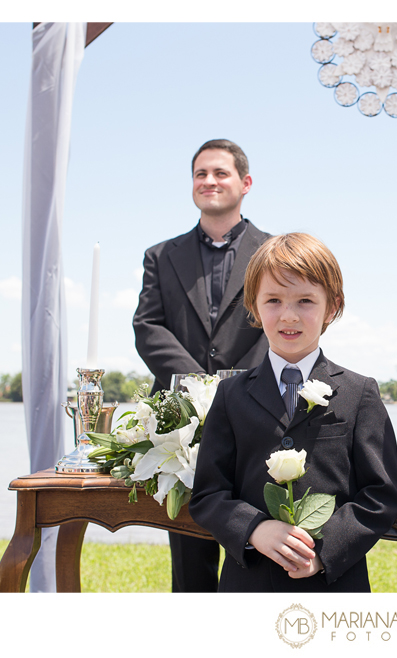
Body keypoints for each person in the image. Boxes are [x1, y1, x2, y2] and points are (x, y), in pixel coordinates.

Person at [189, 233, 397, 592]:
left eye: (305, 300)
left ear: (332, 307)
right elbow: (209, 494)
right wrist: (255, 528)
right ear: (254, 307)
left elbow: (381, 494)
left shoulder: (359, 393)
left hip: (334, 586)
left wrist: (323, 551)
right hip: (250, 582)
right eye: (273, 300)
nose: (288, 315)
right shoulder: (230, 395)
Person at [133, 139, 272, 592]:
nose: (208, 181)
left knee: (252, 539)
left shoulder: (275, 252)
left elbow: (282, 327)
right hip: (179, 421)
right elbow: (148, 326)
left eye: (220, 173)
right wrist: (196, 384)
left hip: (256, 411)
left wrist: (237, 386)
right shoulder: (160, 255)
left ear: (245, 183)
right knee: (189, 559)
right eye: (200, 174)